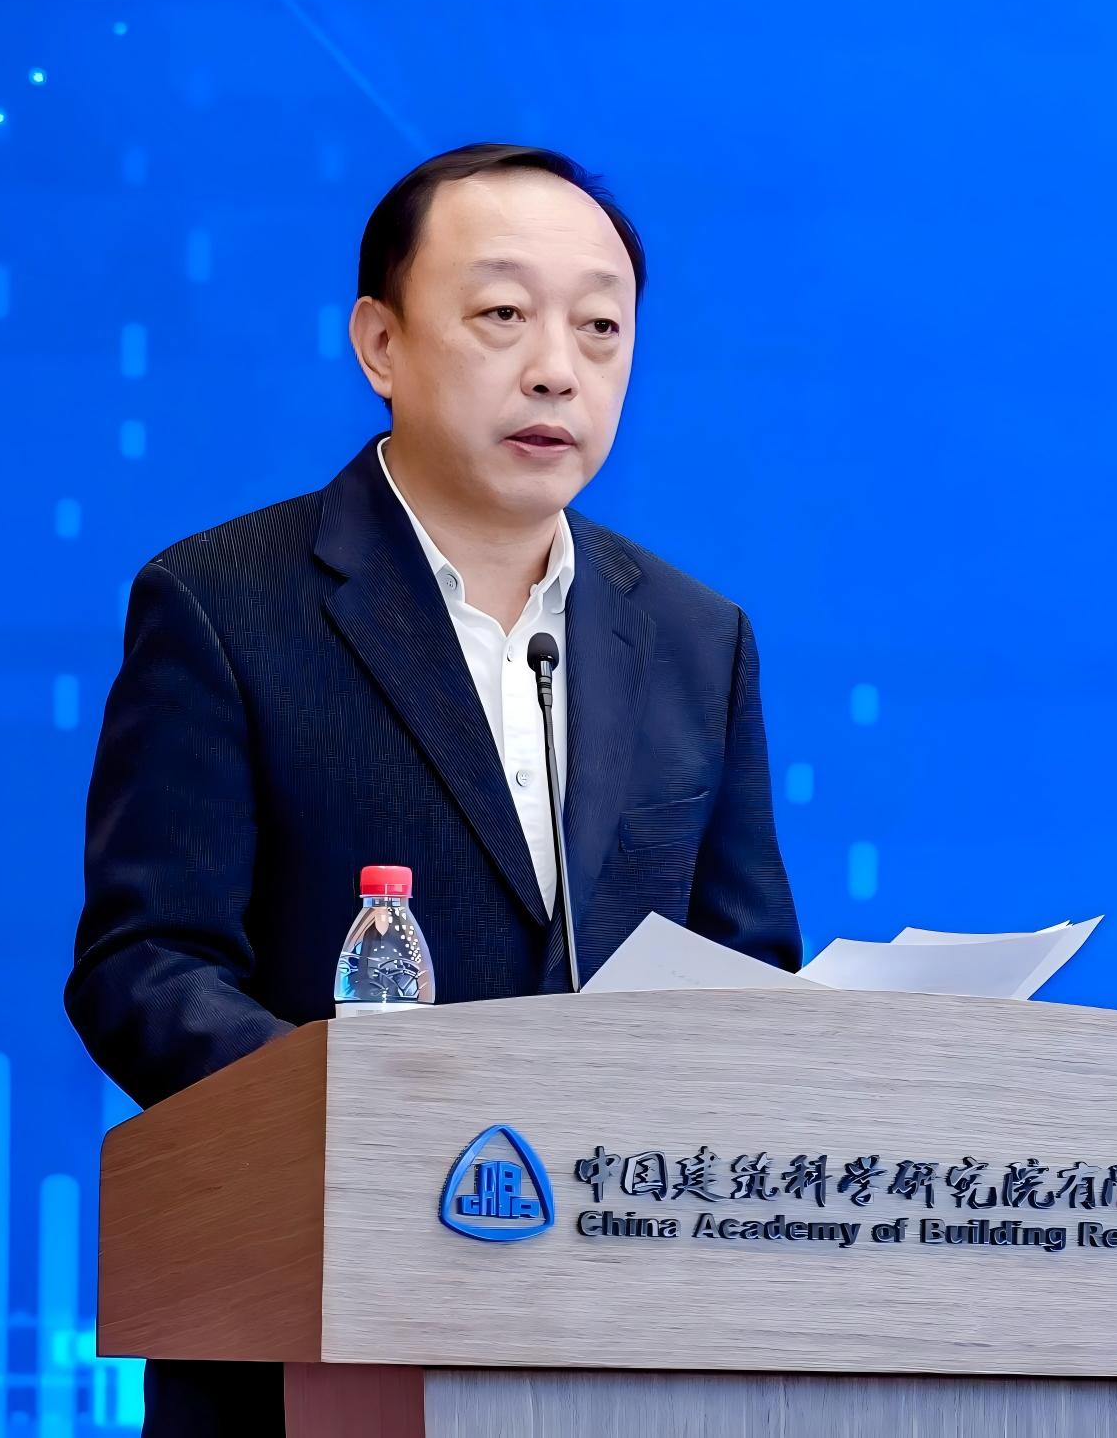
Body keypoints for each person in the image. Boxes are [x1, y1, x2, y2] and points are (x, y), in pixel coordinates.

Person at [65, 142, 802, 1435]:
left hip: (630, 1344)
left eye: (600, 328)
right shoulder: (224, 603)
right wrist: (372, 1126)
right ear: (380, 344)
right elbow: (146, 965)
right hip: (315, 1330)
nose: (557, 369)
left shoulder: (697, 638)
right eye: (503, 315)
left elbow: (748, 966)